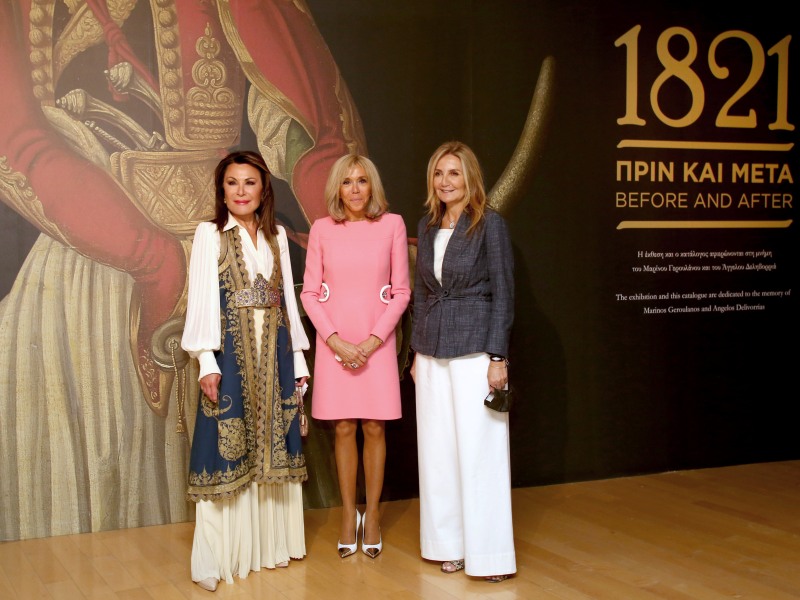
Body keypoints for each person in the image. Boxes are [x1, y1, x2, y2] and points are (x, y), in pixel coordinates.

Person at [181, 151, 311, 592]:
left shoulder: (277, 235)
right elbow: (201, 299)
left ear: (263, 189)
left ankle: (269, 548)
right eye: (232, 183)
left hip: (275, 356)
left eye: (249, 182)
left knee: (274, 445)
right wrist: (206, 361)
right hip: (231, 357)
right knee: (226, 446)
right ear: (222, 191)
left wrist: (298, 360)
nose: (240, 191)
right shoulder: (210, 234)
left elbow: (287, 301)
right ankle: (216, 558)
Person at [410, 141, 516, 582]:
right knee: (438, 453)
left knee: (480, 453)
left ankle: (489, 556)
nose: (445, 181)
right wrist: (416, 352)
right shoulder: (427, 226)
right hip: (431, 352)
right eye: (439, 173)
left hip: (476, 351)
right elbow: (421, 294)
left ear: (470, 178)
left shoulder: (490, 224)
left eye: (454, 173)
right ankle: (448, 546)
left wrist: (498, 357)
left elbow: (504, 293)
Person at [301, 154, 410, 559]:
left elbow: (402, 292)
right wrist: (334, 341)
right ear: (337, 189)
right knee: (344, 428)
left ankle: (374, 514)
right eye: (347, 182)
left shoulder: (392, 225)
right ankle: (349, 514)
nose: (355, 189)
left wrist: (372, 341)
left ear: (372, 186)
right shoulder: (322, 229)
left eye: (362, 180)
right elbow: (309, 294)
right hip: (335, 345)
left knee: (375, 428)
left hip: (376, 344)